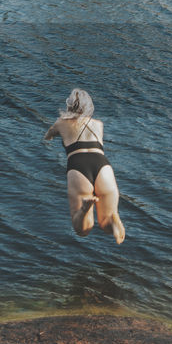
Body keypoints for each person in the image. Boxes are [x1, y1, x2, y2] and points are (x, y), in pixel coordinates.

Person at [43, 88, 125, 244]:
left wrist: (51, 135)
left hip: (78, 165)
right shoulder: (98, 124)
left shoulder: (61, 122)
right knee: (106, 223)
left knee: (82, 230)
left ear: (69, 105)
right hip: (103, 165)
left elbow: (48, 136)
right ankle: (114, 220)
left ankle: (85, 208)